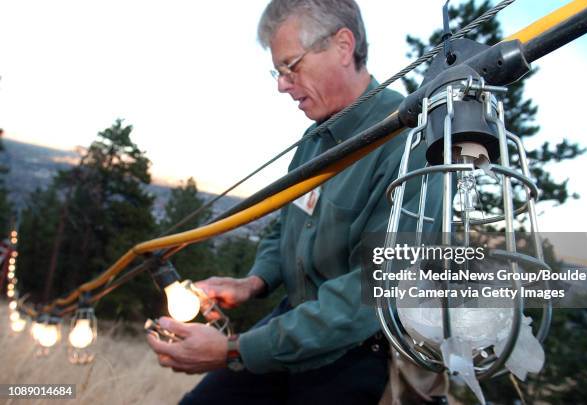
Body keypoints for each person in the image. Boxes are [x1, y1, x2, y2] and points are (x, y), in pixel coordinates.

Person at [146, 1, 439, 403]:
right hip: (293, 323)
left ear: (342, 45)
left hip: (356, 351)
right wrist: (254, 281)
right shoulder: (314, 141)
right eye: (278, 71)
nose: (282, 85)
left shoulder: (410, 141)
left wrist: (234, 350)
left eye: (291, 67)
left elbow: (367, 295)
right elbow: (283, 223)